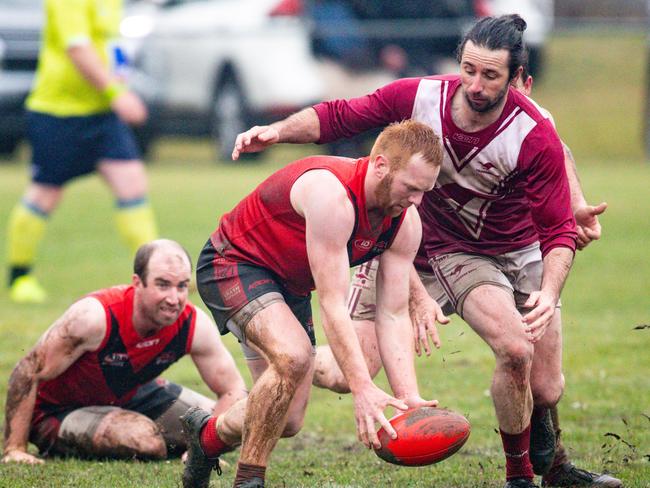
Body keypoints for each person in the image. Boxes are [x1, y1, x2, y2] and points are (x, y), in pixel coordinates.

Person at [231, 14, 620, 488]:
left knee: (545, 386)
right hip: (415, 243)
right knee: (341, 371)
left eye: (490, 76)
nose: (475, 86)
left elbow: (558, 192)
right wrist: (276, 131)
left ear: (519, 80)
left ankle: (551, 466)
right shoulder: (420, 96)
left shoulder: (533, 128)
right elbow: (341, 114)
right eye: (468, 71)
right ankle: (289, 353)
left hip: (513, 252)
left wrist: (560, 254)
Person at [181, 120, 443, 488]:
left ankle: (204, 436)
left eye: (425, 191)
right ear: (381, 165)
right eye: (411, 188)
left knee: (286, 420)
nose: (417, 201)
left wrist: (407, 396)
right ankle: (250, 479)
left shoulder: (405, 221)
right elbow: (334, 305)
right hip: (234, 262)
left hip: (288, 285)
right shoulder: (332, 195)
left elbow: (393, 312)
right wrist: (363, 389)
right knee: (293, 356)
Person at [2, 240, 247, 464]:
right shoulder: (94, 317)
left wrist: (204, 448)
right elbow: (27, 370)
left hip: (131, 395)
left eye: (181, 286)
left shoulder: (192, 323)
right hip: (57, 411)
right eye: (162, 285)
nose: (174, 299)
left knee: (236, 422)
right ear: (137, 283)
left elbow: (233, 389)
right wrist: (15, 448)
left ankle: (173, 439)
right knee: (145, 441)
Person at [6, 0, 157, 304]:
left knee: (132, 183)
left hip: (101, 114)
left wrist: (122, 75)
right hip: (59, 113)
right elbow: (78, 49)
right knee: (45, 193)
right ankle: (19, 277)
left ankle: (156, 276)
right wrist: (118, 94)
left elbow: (111, 41)